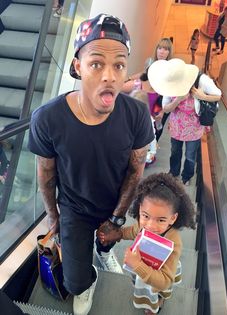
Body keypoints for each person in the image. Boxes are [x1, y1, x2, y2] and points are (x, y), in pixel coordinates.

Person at [28, 13, 154, 315]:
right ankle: (89, 275)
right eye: (96, 63)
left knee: (107, 242)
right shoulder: (48, 119)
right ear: (77, 66)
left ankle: (103, 250)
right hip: (74, 209)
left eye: (119, 65)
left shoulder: (136, 115)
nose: (110, 75)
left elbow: (136, 170)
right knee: (74, 284)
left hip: (115, 205)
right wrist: (53, 216)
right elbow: (46, 173)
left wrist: (117, 220)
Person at [98, 172, 196, 314]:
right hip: (141, 265)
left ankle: (158, 302)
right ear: (139, 209)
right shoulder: (142, 224)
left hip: (160, 272)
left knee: (155, 291)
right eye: (145, 216)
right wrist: (118, 234)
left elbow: (164, 281)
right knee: (143, 286)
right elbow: (135, 231)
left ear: (173, 218)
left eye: (161, 220)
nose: (150, 225)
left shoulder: (174, 243)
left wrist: (137, 265)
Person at [148, 58, 221, 185]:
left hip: (194, 126)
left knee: (190, 155)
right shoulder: (169, 83)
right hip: (176, 125)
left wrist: (201, 96)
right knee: (175, 151)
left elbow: (218, 95)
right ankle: (174, 173)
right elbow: (166, 108)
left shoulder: (201, 80)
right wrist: (178, 100)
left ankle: (186, 176)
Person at [122, 38, 173, 144]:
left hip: (162, 102)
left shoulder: (170, 70)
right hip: (151, 98)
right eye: (159, 48)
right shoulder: (151, 63)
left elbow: (171, 93)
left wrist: (163, 111)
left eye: (165, 49)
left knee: (156, 130)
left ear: (169, 52)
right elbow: (143, 73)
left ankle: (151, 149)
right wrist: (130, 78)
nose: (162, 52)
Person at [129, 90, 157, 167]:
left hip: (141, 148)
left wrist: (153, 151)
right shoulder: (128, 117)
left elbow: (152, 137)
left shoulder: (148, 119)